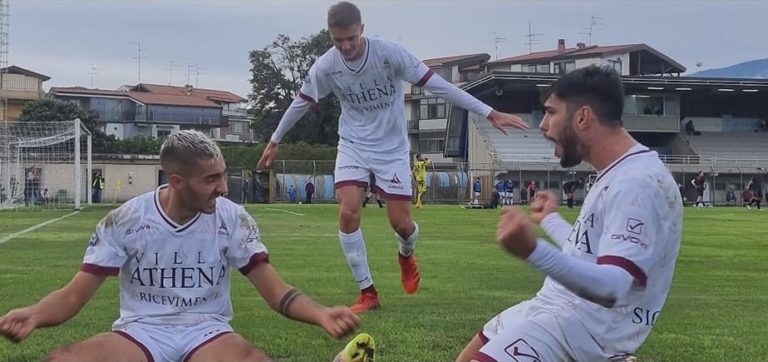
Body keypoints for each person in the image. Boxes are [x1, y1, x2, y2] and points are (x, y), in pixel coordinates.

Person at [256, 1, 527, 313]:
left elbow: (438, 86)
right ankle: (368, 293)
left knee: (401, 224)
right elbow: (301, 103)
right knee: (347, 213)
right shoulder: (326, 67)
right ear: (330, 36)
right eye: (337, 41)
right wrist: (275, 140)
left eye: (351, 39)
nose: (345, 46)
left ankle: (406, 253)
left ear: (362, 30)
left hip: (392, 149)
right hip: (353, 144)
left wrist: (489, 111)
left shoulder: (389, 54)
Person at [0, 130, 360, 361]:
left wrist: (320, 313)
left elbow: (276, 291)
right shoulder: (126, 219)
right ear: (176, 181)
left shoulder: (232, 218)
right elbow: (74, 296)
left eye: (222, 175)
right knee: (65, 359)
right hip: (142, 330)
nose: (223, 187)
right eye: (211, 179)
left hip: (207, 329)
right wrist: (34, 314)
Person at [457, 65, 683, 361]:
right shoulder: (617, 172)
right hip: (553, 307)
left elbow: (613, 287)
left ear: (582, 117)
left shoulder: (637, 184)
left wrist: (533, 251)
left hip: (580, 332)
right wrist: (550, 219)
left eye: (551, 112)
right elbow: (588, 253)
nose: (542, 125)